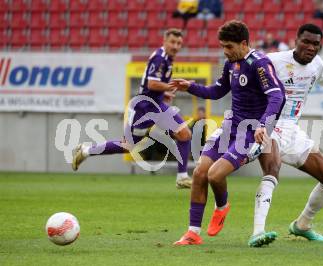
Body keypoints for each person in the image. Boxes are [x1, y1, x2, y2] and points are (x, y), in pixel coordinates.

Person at [246, 24, 323, 247]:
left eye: (315, 44)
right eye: (306, 42)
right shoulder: (273, 60)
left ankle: (302, 225)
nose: (310, 47)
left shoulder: (317, 65)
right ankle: (257, 232)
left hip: (292, 130)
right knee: (272, 170)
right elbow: (246, 80)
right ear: (296, 40)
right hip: (269, 126)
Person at [171, 20, 285, 246]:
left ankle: (222, 206)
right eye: (223, 46)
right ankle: (193, 233)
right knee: (200, 172)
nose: (225, 51)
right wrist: (191, 86)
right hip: (230, 126)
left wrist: (264, 125)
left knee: (215, 174)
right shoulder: (230, 64)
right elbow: (217, 91)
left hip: (250, 132)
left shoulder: (259, 64)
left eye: (229, 47)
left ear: (244, 43)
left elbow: (277, 96)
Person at [71, 29, 193, 189]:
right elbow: (151, 84)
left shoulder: (168, 59)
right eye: (173, 42)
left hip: (156, 105)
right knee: (129, 146)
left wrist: (164, 93)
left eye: (179, 43)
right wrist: (172, 86)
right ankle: (86, 150)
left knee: (184, 134)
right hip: (143, 107)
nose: (176, 46)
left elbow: (153, 86)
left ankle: (182, 177)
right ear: (164, 41)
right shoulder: (159, 58)